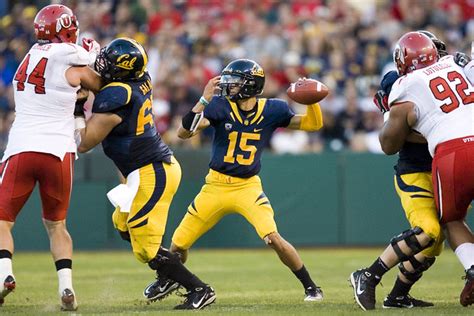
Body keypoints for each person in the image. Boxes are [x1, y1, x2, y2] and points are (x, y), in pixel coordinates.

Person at [143, 59, 325, 302]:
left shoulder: (273, 110)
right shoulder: (219, 106)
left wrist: (312, 103)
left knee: (273, 238)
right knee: (177, 246)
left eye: (235, 82)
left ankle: (311, 286)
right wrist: (203, 100)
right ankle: (169, 279)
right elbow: (184, 132)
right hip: (215, 186)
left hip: (247, 187)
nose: (228, 86)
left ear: (251, 85)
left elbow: (313, 124)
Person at [75, 38, 216, 310]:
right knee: (123, 224)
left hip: (152, 171)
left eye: (110, 62)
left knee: (144, 248)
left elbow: (84, 141)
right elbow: (106, 85)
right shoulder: (137, 80)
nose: (103, 64)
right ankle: (168, 273)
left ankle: (199, 289)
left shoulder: (116, 96)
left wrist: (78, 107)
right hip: (143, 171)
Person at [350, 31, 472, 311]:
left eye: (440, 52)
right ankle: (368, 275)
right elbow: (395, 136)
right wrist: (437, 126)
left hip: (450, 162)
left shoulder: (457, 68)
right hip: (418, 169)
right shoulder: (399, 83)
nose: (437, 59)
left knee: (435, 243)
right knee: (429, 232)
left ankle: (397, 297)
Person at [0, 4, 102, 311]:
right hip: (58, 152)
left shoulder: (29, 57)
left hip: (21, 148)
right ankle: (66, 287)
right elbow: (95, 78)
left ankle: (4, 274)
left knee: (2, 222)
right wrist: (93, 58)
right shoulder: (71, 57)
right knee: (58, 226)